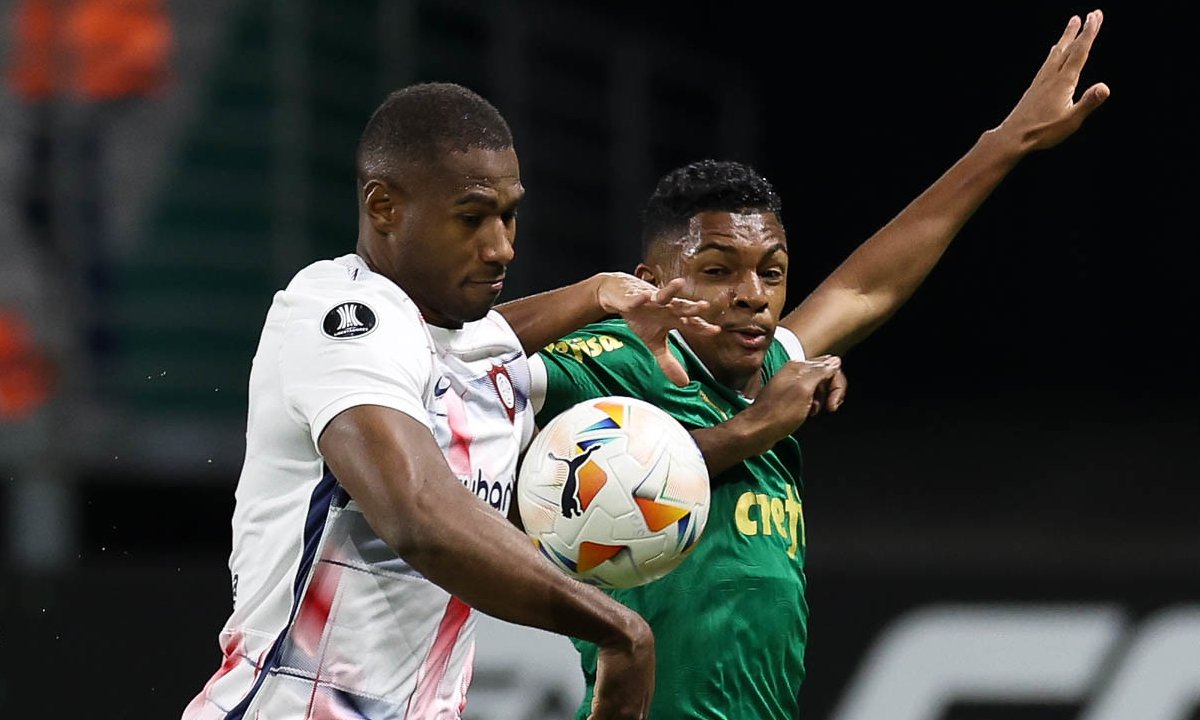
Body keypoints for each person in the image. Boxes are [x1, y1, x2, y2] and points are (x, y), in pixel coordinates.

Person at [507, 9, 1110, 719]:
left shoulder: (774, 369)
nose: (751, 296)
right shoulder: (606, 367)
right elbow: (456, 353)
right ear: (653, 277)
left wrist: (1006, 143)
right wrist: (595, 299)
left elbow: (864, 285)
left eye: (772, 270)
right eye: (717, 270)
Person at [179, 81, 737, 720]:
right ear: (384, 207)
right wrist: (619, 630)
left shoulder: (462, 350)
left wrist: (595, 296)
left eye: (509, 214)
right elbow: (418, 512)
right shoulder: (338, 315)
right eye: (472, 218)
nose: (502, 245)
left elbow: (477, 342)